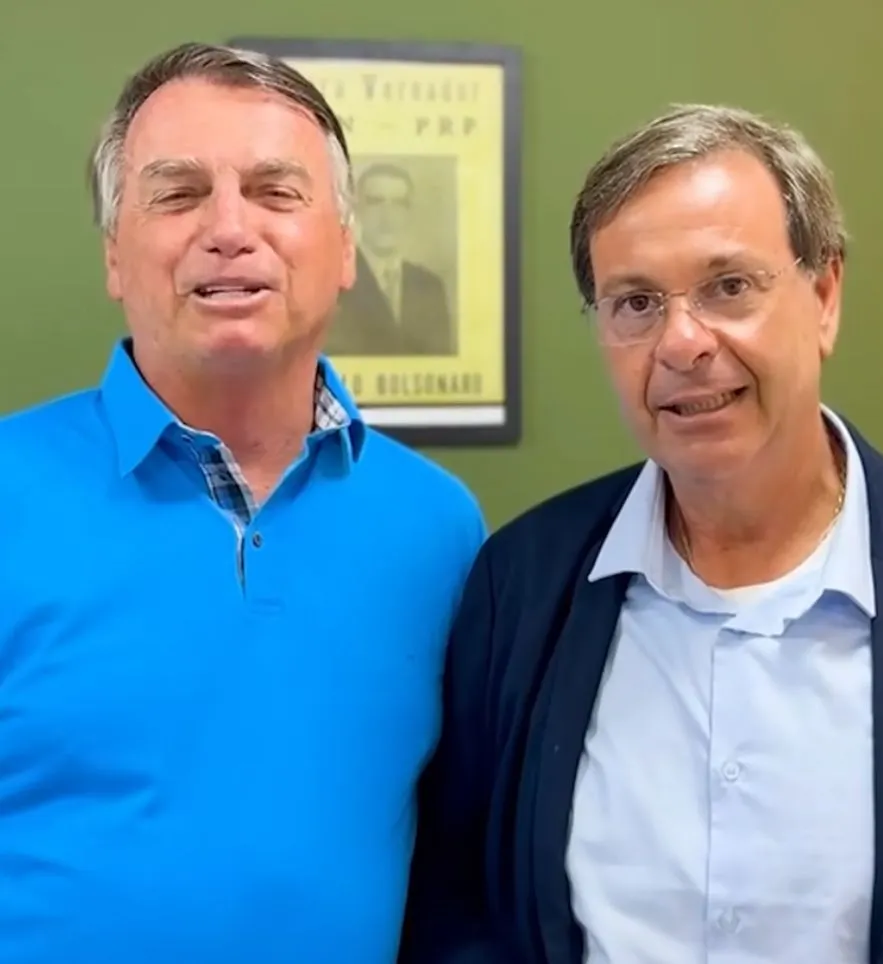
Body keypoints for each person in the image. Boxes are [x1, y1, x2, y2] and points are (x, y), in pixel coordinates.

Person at [400, 104, 883, 964]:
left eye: (729, 286)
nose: (681, 343)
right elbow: (463, 913)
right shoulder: (521, 586)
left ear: (824, 295)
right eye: (636, 303)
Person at [0, 42, 485, 964]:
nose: (229, 228)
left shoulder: (440, 530)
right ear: (114, 255)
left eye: (275, 191)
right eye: (179, 194)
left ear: (345, 248)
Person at [326, 161, 455, 356]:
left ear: (408, 213)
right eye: (376, 202)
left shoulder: (431, 287)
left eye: (398, 204)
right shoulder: (335, 281)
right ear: (357, 210)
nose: (387, 216)